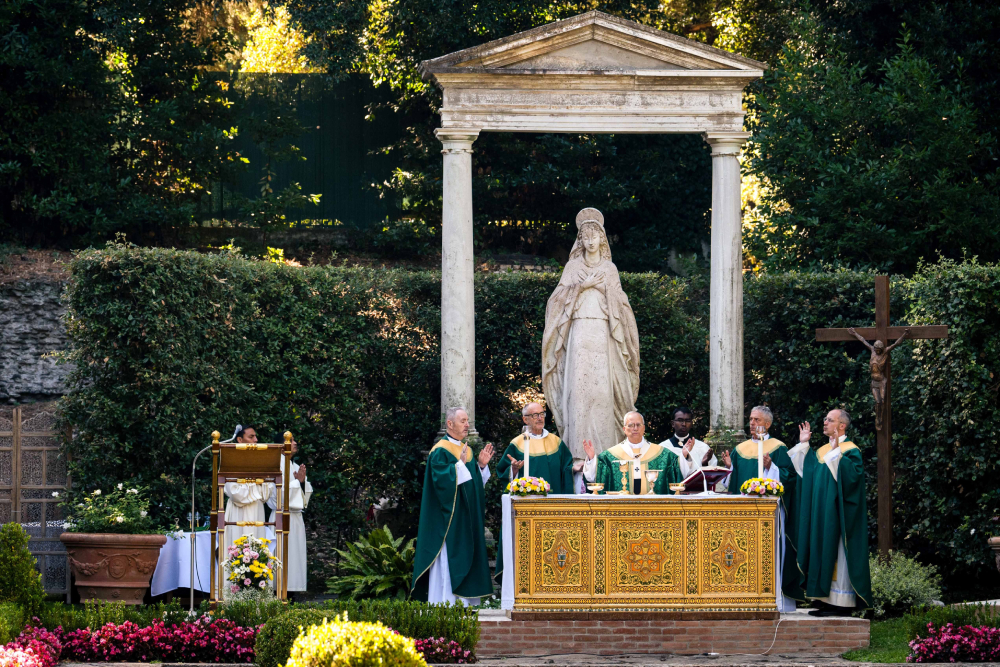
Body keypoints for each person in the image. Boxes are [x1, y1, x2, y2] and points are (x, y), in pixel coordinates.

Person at [541, 208, 640, 461]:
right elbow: (556, 303)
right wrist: (581, 286)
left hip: (604, 334)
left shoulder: (609, 269)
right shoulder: (573, 267)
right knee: (579, 392)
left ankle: (606, 453)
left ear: (602, 239)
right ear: (581, 240)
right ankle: (576, 452)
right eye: (585, 236)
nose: (590, 240)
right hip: (578, 334)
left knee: (602, 393)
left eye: (595, 235)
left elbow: (622, 306)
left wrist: (605, 290)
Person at [412, 407, 495, 605]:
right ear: (450, 424)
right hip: (449, 522)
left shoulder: (467, 451)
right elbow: (441, 484)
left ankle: (464, 603)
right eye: (463, 421)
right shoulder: (440, 451)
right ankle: (443, 603)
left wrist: (480, 467)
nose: (467, 425)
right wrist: (459, 465)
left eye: (468, 421)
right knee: (448, 563)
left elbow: (472, 484)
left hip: (466, 520)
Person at [721, 406, 801, 608]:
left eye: (757, 419)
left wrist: (770, 468)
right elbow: (734, 481)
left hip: (770, 511)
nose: (752, 423)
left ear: (768, 424)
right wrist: (731, 467)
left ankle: (776, 599)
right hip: (744, 512)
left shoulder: (777, 447)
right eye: (750, 419)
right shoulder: (740, 449)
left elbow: (790, 477)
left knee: (770, 552)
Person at [795, 409, 872, 616]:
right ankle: (824, 599)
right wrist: (804, 446)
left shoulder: (850, 450)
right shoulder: (822, 450)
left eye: (830, 420)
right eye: (825, 419)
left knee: (837, 552)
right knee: (822, 550)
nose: (825, 422)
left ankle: (841, 602)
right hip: (821, 512)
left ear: (842, 426)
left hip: (838, 514)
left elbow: (853, 480)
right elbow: (806, 473)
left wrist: (838, 454)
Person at [494, 402, 575, 584]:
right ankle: (525, 583)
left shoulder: (556, 442)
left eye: (542, 414)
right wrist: (513, 470)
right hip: (525, 510)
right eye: (535, 415)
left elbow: (567, 468)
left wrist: (579, 469)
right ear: (525, 419)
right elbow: (503, 472)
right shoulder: (517, 444)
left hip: (553, 509)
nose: (540, 418)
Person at [582, 411, 681, 494]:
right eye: (631, 425)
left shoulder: (664, 455)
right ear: (624, 429)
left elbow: (680, 476)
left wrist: (685, 457)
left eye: (638, 425)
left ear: (644, 428)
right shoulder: (608, 456)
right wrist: (591, 459)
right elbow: (593, 478)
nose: (635, 428)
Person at [266, 436, 312, 595]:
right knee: (280, 557)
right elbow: (273, 497)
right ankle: (276, 596)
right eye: (290, 440)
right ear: (280, 445)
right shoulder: (273, 466)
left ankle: (291, 596)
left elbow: (307, 495)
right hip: (280, 517)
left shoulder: (295, 466)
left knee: (294, 559)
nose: (295, 443)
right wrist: (297, 483)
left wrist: (302, 482)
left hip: (296, 519)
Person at [223, 425, 274, 555]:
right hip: (238, 512)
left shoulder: (261, 461)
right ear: (239, 440)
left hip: (257, 511)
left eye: (255, 436)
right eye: (251, 437)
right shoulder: (231, 460)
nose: (256, 440)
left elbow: (267, 493)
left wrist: (257, 481)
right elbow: (235, 493)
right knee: (237, 551)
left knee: (257, 551)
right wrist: (256, 480)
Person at [659, 406, 716, 478]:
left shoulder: (703, 447)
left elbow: (712, 476)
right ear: (673, 423)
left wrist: (704, 463)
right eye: (680, 420)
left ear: (691, 423)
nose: (684, 424)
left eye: (687, 420)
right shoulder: (662, 448)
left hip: (696, 488)